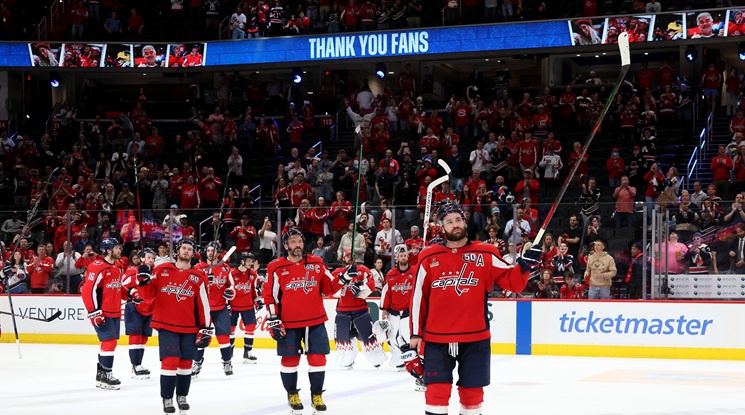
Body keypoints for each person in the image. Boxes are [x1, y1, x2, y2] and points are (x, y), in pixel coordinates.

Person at [409, 202, 541, 415]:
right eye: (449, 221)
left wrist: (525, 267)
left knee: (472, 397)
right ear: (442, 226)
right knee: (436, 395)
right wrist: (415, 334)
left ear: (465, 221)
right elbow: (418, 298)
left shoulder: (486, 253)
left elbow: (514, 283)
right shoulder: (428, 256)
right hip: (436, 338)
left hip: (475, 338)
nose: (455, 224)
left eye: (458, 219)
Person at [262, 228, 336, 414]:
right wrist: (273, 318)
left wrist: (344, 277)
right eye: (293, 241)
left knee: (318, 359)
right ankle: (292, 394)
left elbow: (329, 288)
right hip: (288, 322)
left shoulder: (317, 262)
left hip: (315, 320)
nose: (297, 245)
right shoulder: (275, 266)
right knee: (290, 360)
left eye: (300, 241)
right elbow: (270, 296)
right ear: (286, 246)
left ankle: (316, 395)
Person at [137, 238, 212, 414]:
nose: (186, 251)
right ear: (177, 251)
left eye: (190, 249)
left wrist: (206, 328)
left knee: (185, 364)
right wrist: (142, 281)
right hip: (166, 325)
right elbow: (148, 295)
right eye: (183, 248)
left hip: (189, 327)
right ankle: (167, 398)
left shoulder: (199, 277)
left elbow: (204, 305)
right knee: (170, 362)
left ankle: (182, 396)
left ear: (193, 254)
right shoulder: (162, 270)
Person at [331, 249, 387, 369]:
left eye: (351, 256)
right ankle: (347, 360)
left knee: (368, 336)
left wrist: (361, 286)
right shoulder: (337, 272)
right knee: (344, 339)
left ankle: (376, 359)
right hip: (342, 311)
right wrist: (342, 280)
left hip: (360, 310)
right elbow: (331, 290)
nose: (349, 258)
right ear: (343, 258)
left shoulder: (362, 270)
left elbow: (371, 285)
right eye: (347, 256)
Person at [81, 238, 124, 390]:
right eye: (116, 247)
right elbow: (87, 290)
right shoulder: (97, 267)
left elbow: (118, 287)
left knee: (110, 343)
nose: (120, 250)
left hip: (115, 311)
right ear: (108, 250)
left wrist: (132, 294)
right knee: (109, 342)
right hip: (102, 312)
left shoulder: (118, 266)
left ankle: (101, 375)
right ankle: (106, 375)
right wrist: (94, 312)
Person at [193, 242, 235, 377]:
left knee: (224, 337)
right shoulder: (198, 268)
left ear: (218, 253)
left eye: (213, 250)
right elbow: (192, 286)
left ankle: (227, 362)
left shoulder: (225, 268)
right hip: (203, 308)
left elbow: (231, 286)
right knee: (201, 337)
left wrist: (230, 292)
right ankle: (197, 362)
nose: (211, 253)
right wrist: (206, 280)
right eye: (209, 250)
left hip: (221, 307)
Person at [380, 245, 418, 382]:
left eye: (405, 255)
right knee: (393, 337)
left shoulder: (415, 272)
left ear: (408, 257)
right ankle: (399, 360)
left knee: (408, 336)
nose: (403, 257)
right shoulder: (390, 274)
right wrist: (384, 309)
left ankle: (413, 359)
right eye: (400, 256)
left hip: (408, 311)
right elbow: (386, 293)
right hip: (393, 311)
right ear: (397, 258)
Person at [121, 248, 156, 380]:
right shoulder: (133, 270)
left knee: (144, 336)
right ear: (141, 258)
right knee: (135, 336)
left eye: (152, 257)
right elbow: (123, 284)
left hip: (149, 307)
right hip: (134, 307)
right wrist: (134, 287)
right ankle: (135, 365)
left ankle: (138, 364)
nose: (151, 260)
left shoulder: (156, 272)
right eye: (148, 257)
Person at [230, 252, 262, 364]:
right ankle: (229, 353)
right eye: (248, 261)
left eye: (251, 261)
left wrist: (257, 300)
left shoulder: (253, 274)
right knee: (230, 329)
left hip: (248, 306)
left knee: (250, 328)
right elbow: (227, 290)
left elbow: (254, 290)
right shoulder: (232, 274)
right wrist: (227, 303)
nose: (250, 263)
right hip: (233, 306)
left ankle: (247, 353)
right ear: (242, 261)